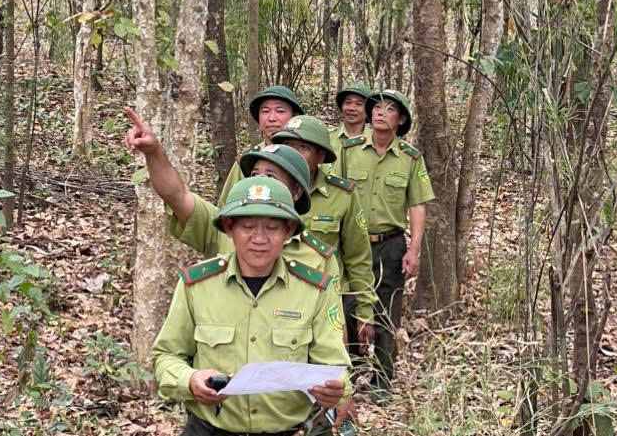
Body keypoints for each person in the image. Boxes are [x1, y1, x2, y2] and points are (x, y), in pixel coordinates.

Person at [152, 176, 350, 436]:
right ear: (229, 228)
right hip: (210, 429)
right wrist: (190, 380)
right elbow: (166, 356)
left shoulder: (315, 290)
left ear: (288, 232)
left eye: (272, 228)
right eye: (247, 226)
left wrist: (335, 389)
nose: (259, 238)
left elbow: (335, 366)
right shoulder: (197, 286)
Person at [123, 107, 339, 275]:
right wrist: (154, 152)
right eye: (255, 174)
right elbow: (176, 195)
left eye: (271, 176)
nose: (260, 182)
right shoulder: (225, 231)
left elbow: (329, 330)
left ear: (296, 192)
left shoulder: (317, 259)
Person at [342, 89, 434, 399]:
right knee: (350, 306)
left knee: (386, 312)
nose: (380, 113)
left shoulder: (410, 158)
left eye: (390, 109)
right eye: (376, 107)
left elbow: (418, 204)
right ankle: (354, 371)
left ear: (401, 119)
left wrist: (414, 248)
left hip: (390, 244)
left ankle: (382, 381)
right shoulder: (350, 150)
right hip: (352, 245)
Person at [270, 115, 376, 353]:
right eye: (288, 146)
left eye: (303, 147)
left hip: (324, 303)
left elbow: (358, 257)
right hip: (274, 301)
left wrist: (364, 311)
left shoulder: (342, 195)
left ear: (320, 156)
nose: (294, 153)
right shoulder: (267, 188)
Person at [217, 86, 305, 207]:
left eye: (280, 111)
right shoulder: (247, 161)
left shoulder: (309, 156)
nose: (272, 118)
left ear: (295, 117)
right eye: (265, 111)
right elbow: (225, 208)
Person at [329, 83, 371, 178]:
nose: (352, 108)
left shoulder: (375, 142)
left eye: (359, 104)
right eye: (348, 103)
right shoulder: (326, 138)